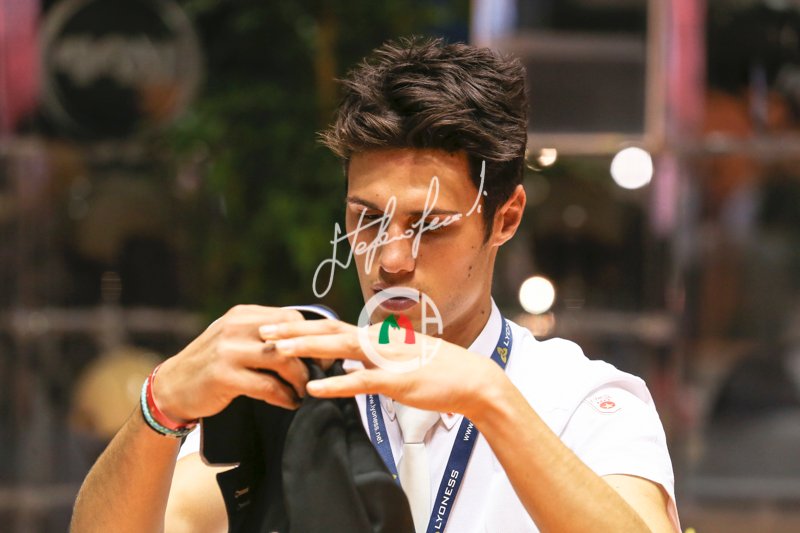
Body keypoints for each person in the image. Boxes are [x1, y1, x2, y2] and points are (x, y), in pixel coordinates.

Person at [71, 37, 679, 532]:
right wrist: (160, 405)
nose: (390, 259)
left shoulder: (577, 400)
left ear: (506, 218)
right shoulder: (303, 387)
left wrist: (489, 398)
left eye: (430, 225)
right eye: (367, 218)